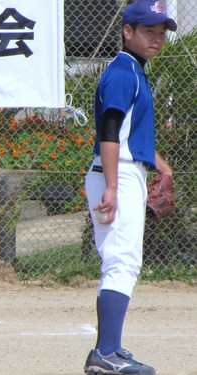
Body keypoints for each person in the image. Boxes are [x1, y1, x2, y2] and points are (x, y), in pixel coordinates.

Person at [83, 1, 176, 374]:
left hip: (123, 169)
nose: (157, 38)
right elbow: (108, 129)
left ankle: (109, 350)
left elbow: (126, 132)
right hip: (116, 172)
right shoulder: (125, 72)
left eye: (161, 32)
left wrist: (159, 164)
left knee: (121, 262)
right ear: (127, 31)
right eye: (148, 30)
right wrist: (111, 186)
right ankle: (106, 353)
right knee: (121, 262)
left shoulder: (133, 71)